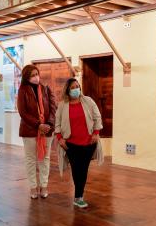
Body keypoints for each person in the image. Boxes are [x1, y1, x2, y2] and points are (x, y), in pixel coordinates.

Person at [55, 78, 103, 208]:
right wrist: (60, 138)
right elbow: (57, 123)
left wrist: (96, 133)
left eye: (78, 86)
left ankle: (79, 196)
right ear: (67, 90)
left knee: (84, 170)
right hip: (71, 145)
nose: (76, 89)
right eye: (73, 87)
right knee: (76, 171)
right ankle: (78, 196)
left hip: (88, 143)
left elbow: (97, 117)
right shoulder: (62, 105)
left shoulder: (88, 101)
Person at [17, 65, 57, 199]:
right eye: (32, 75)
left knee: (45, 159)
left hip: (47, 130)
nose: (35, 77)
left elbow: (53, 107)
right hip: (30, 130)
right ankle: (33, 187)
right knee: (31, 159)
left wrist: (49, 124)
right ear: (26, 77)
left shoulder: (45, 88)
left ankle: (44, 185)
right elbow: (23, 112)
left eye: (36, 74)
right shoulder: (22, 90)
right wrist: (38, 124)